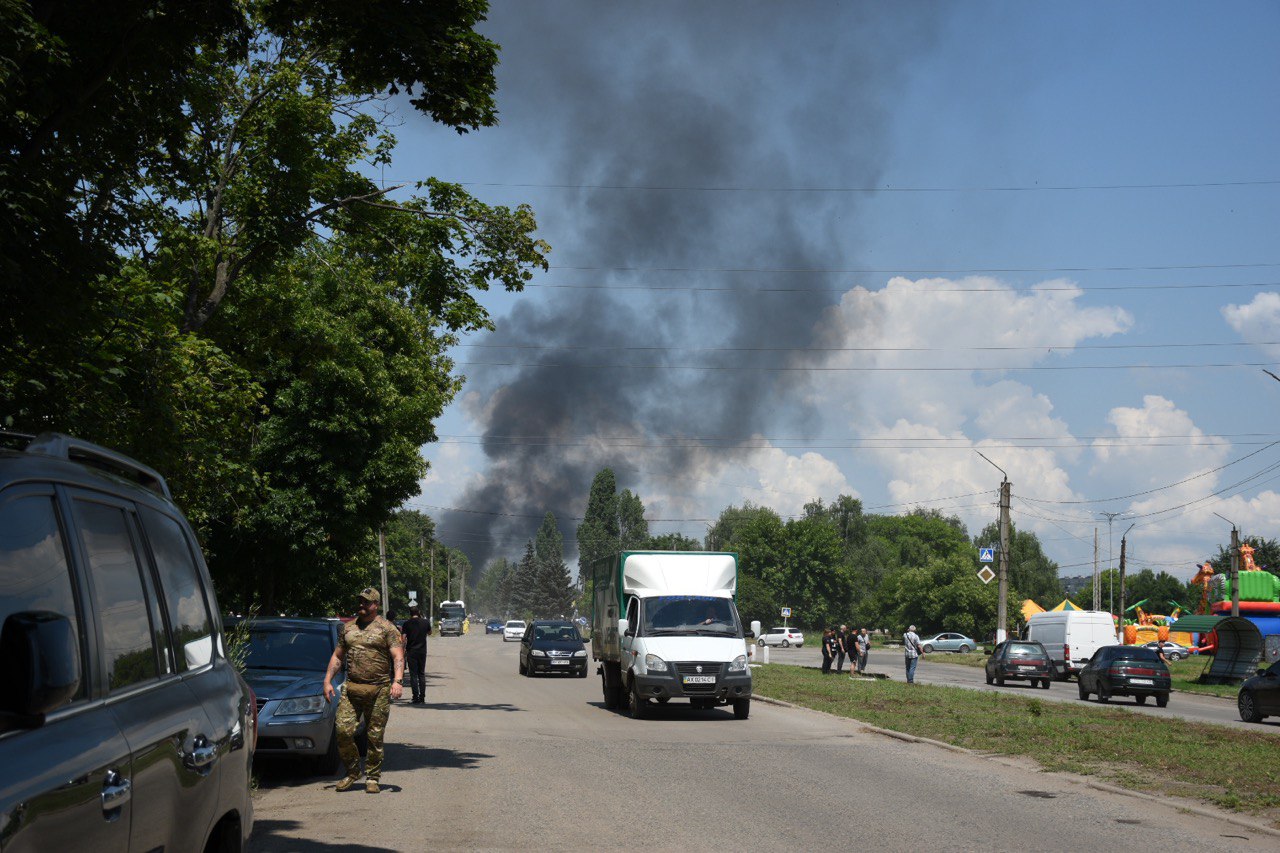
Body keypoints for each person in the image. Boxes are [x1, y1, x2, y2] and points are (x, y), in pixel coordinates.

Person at [323, 587, 404, 793]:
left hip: (379, 690)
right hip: (352, 689)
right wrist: (327, 681)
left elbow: (397, 656)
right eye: (360, 601)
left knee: (374, 736)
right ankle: (352, 772)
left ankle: (373, 778)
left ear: (376, 605)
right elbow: (338, 656)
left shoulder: (387, 629)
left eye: (366, 602)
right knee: (342, 731)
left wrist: (398, 681)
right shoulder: (348, 629)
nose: (362, 605)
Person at [400, 604, 431, 704]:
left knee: (413, 675)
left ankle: (415, 697)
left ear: (410, 613)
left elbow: (403, 639)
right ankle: (422, 697)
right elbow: (430, 633)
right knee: (421, 674)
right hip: (422, 651)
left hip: (411, 651)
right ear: (419, 613)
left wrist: (403, 650)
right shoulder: (425, 622)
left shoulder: (407, 624)